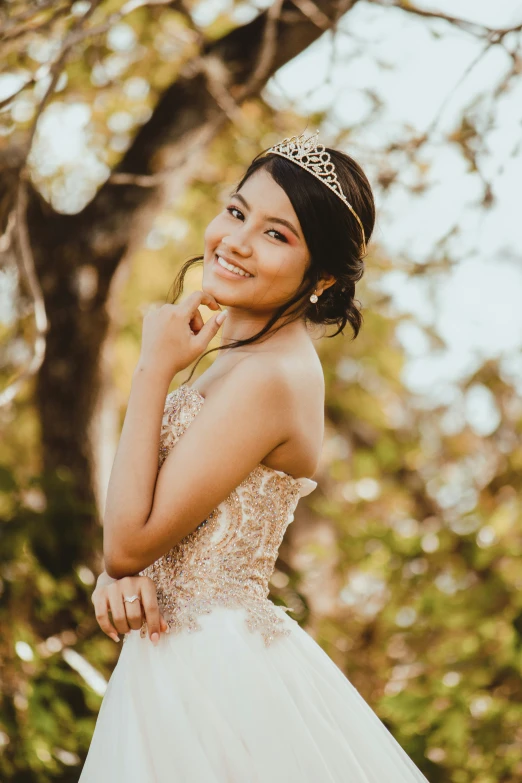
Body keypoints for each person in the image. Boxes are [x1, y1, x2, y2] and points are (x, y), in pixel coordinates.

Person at [79, 130, 431, 781]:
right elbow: (144, 538)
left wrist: (151, 369)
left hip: (215, 676)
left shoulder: (273, 376)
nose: (236, 241)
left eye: (277, 234)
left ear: (321, 275)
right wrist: (123, 578)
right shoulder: (237, 363)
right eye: (237, 212)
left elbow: (128, 540)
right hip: (174, 660)